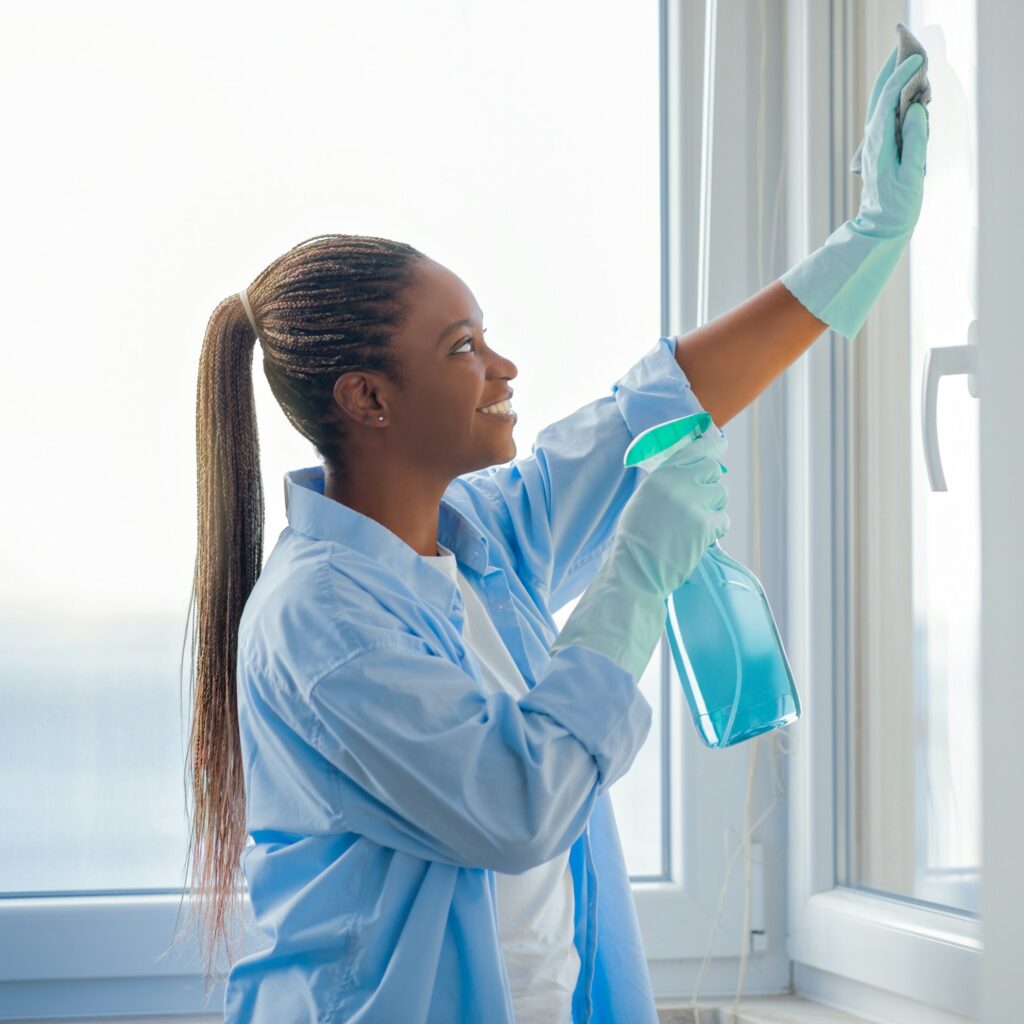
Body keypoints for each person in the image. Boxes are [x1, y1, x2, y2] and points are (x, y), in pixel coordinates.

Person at [180, 45, 929, 1024]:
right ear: (368, 398)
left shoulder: (482, 537)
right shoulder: (319, 618)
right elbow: (514, 806)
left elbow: (649, 409)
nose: (503, 365)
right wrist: (636, 580)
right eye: (462, 348)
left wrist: (864, 243)